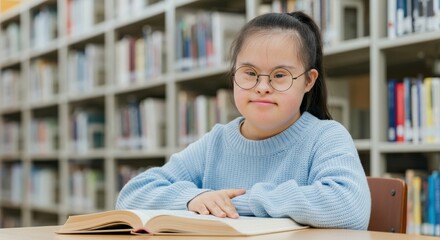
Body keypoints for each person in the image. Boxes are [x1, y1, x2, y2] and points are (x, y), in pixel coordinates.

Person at [116, 11, 371, 230]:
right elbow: (131, 195)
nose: (262, 87)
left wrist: (240, 202)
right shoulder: (217, 142)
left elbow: (349, 207)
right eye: (249, 73)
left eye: (280, 75)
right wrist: (193, 198)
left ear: (308, 81)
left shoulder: (325, 137)